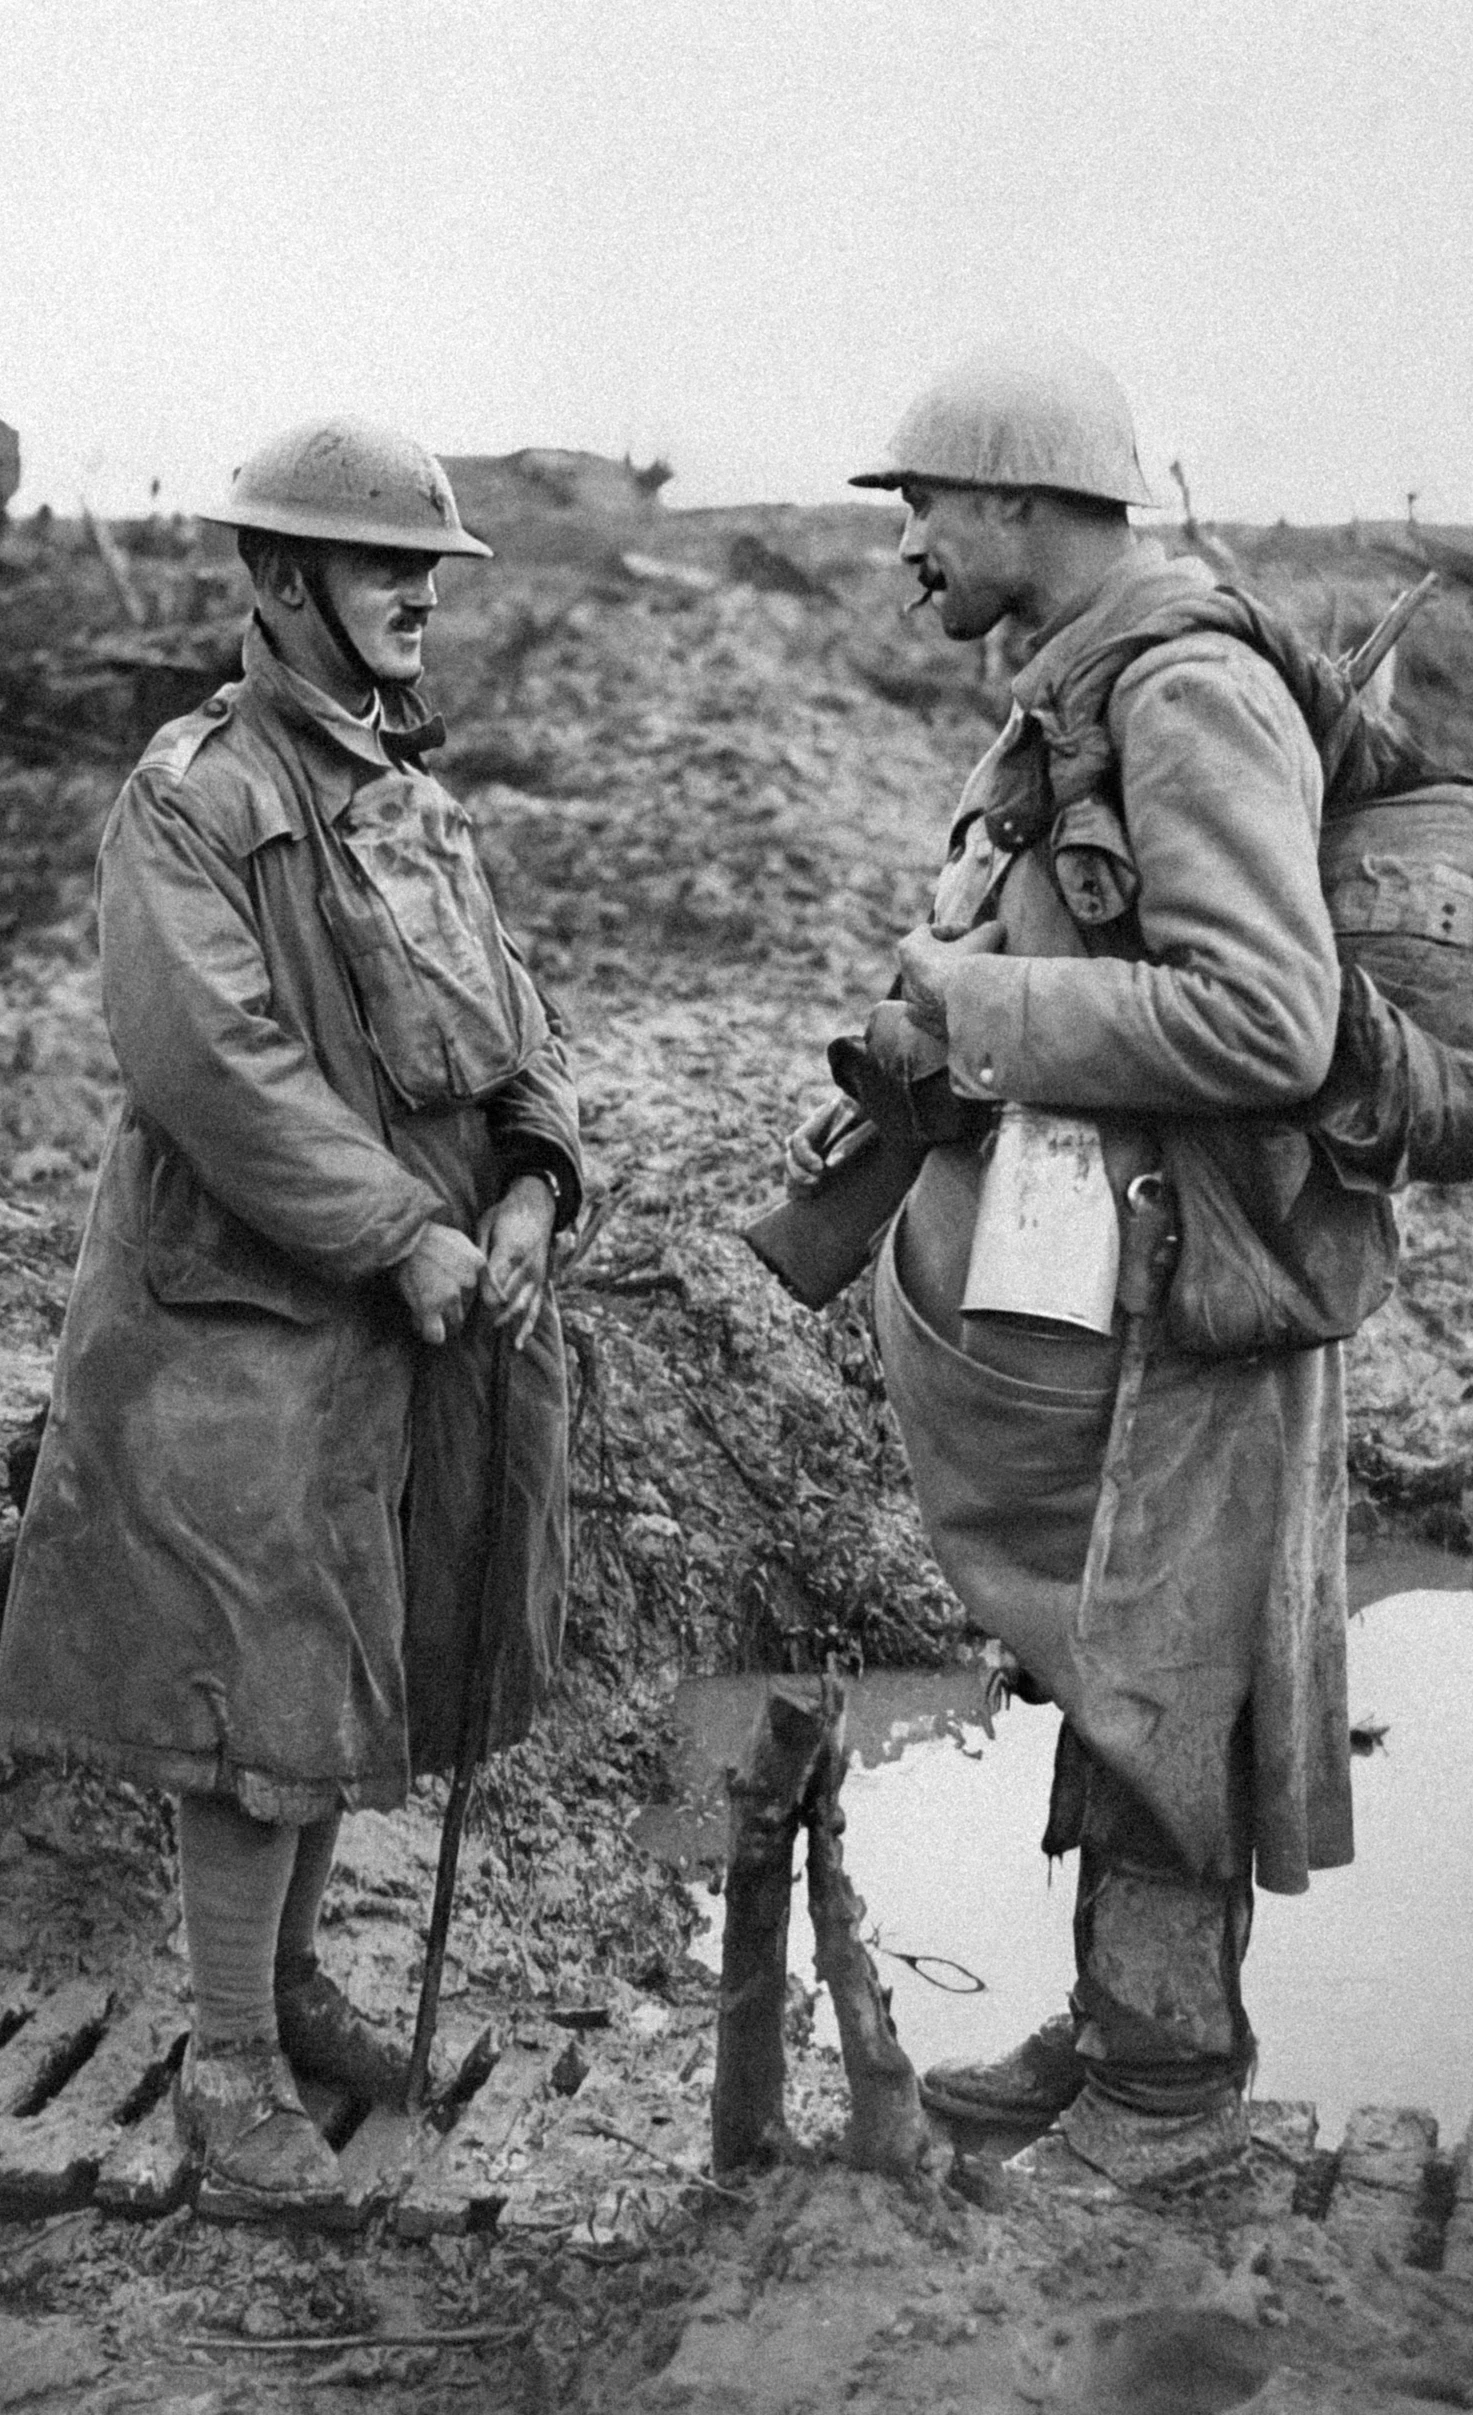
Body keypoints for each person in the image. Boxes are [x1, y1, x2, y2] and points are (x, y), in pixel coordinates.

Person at [787, 345, 1394, 2190]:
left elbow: (1269, 1019)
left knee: (1166, 1668)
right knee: (1121, 1651)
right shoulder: (1077, 688)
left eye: (919, 505)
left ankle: (1164, 2099)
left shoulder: (1187, 692)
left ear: (1018, 498)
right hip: (1117, 1301)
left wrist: (977, 1004)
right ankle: (1124, 2026)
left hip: (1194, 1305)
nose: (902, 545)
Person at [0, 419, 583, 2218]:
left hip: (407, 1313)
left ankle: (291, 1988)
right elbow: (212, 1066)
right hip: (235, 1321)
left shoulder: (408, 793)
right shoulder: (196, 795)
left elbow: (517, 1022)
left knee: (343, 1663)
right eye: (383, 561)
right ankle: (230, 2062)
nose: (420, 591)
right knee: (248, 1692)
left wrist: (537, 1179)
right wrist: (405, 1233)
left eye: (430, 566)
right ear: (278, 581)